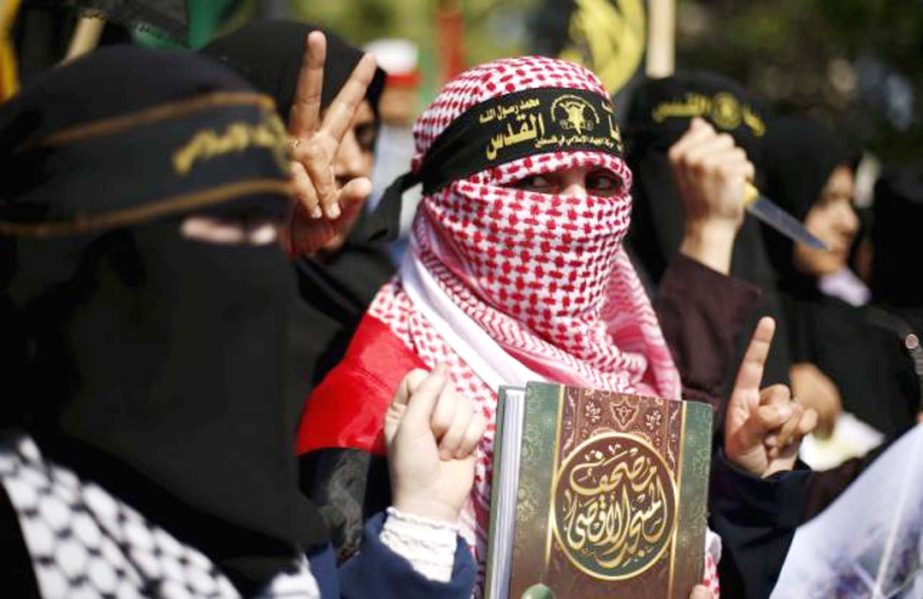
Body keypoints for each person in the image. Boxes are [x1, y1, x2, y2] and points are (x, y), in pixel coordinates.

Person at [294, 55, 816, 597]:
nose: (577, 211)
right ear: (456, 201)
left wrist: (749, 490)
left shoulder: (623, 368)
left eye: (598, 181)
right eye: (540, 181)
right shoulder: (378, 398)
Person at [0, 46, 480, 598]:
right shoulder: (34, 526)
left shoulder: (255, 510)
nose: (249, 271)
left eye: (260, 225)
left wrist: (423, 520)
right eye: (226, 223)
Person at [202, 21, 401, 389]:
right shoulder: (182, 287)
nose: (354, 164)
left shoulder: (387, 294)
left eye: (365, 135)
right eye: (321, 132)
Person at [624, 71, 794, 393]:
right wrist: (707, 234)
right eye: (692, 176)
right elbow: (654, 419)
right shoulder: (605, 282)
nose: (718, 196)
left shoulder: (758, 276)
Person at [761, 115, 919, 442]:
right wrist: (778, 383)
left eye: (848, 202)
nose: (849, 223)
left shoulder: (869, 329)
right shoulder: (740, 314)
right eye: (824, 201)